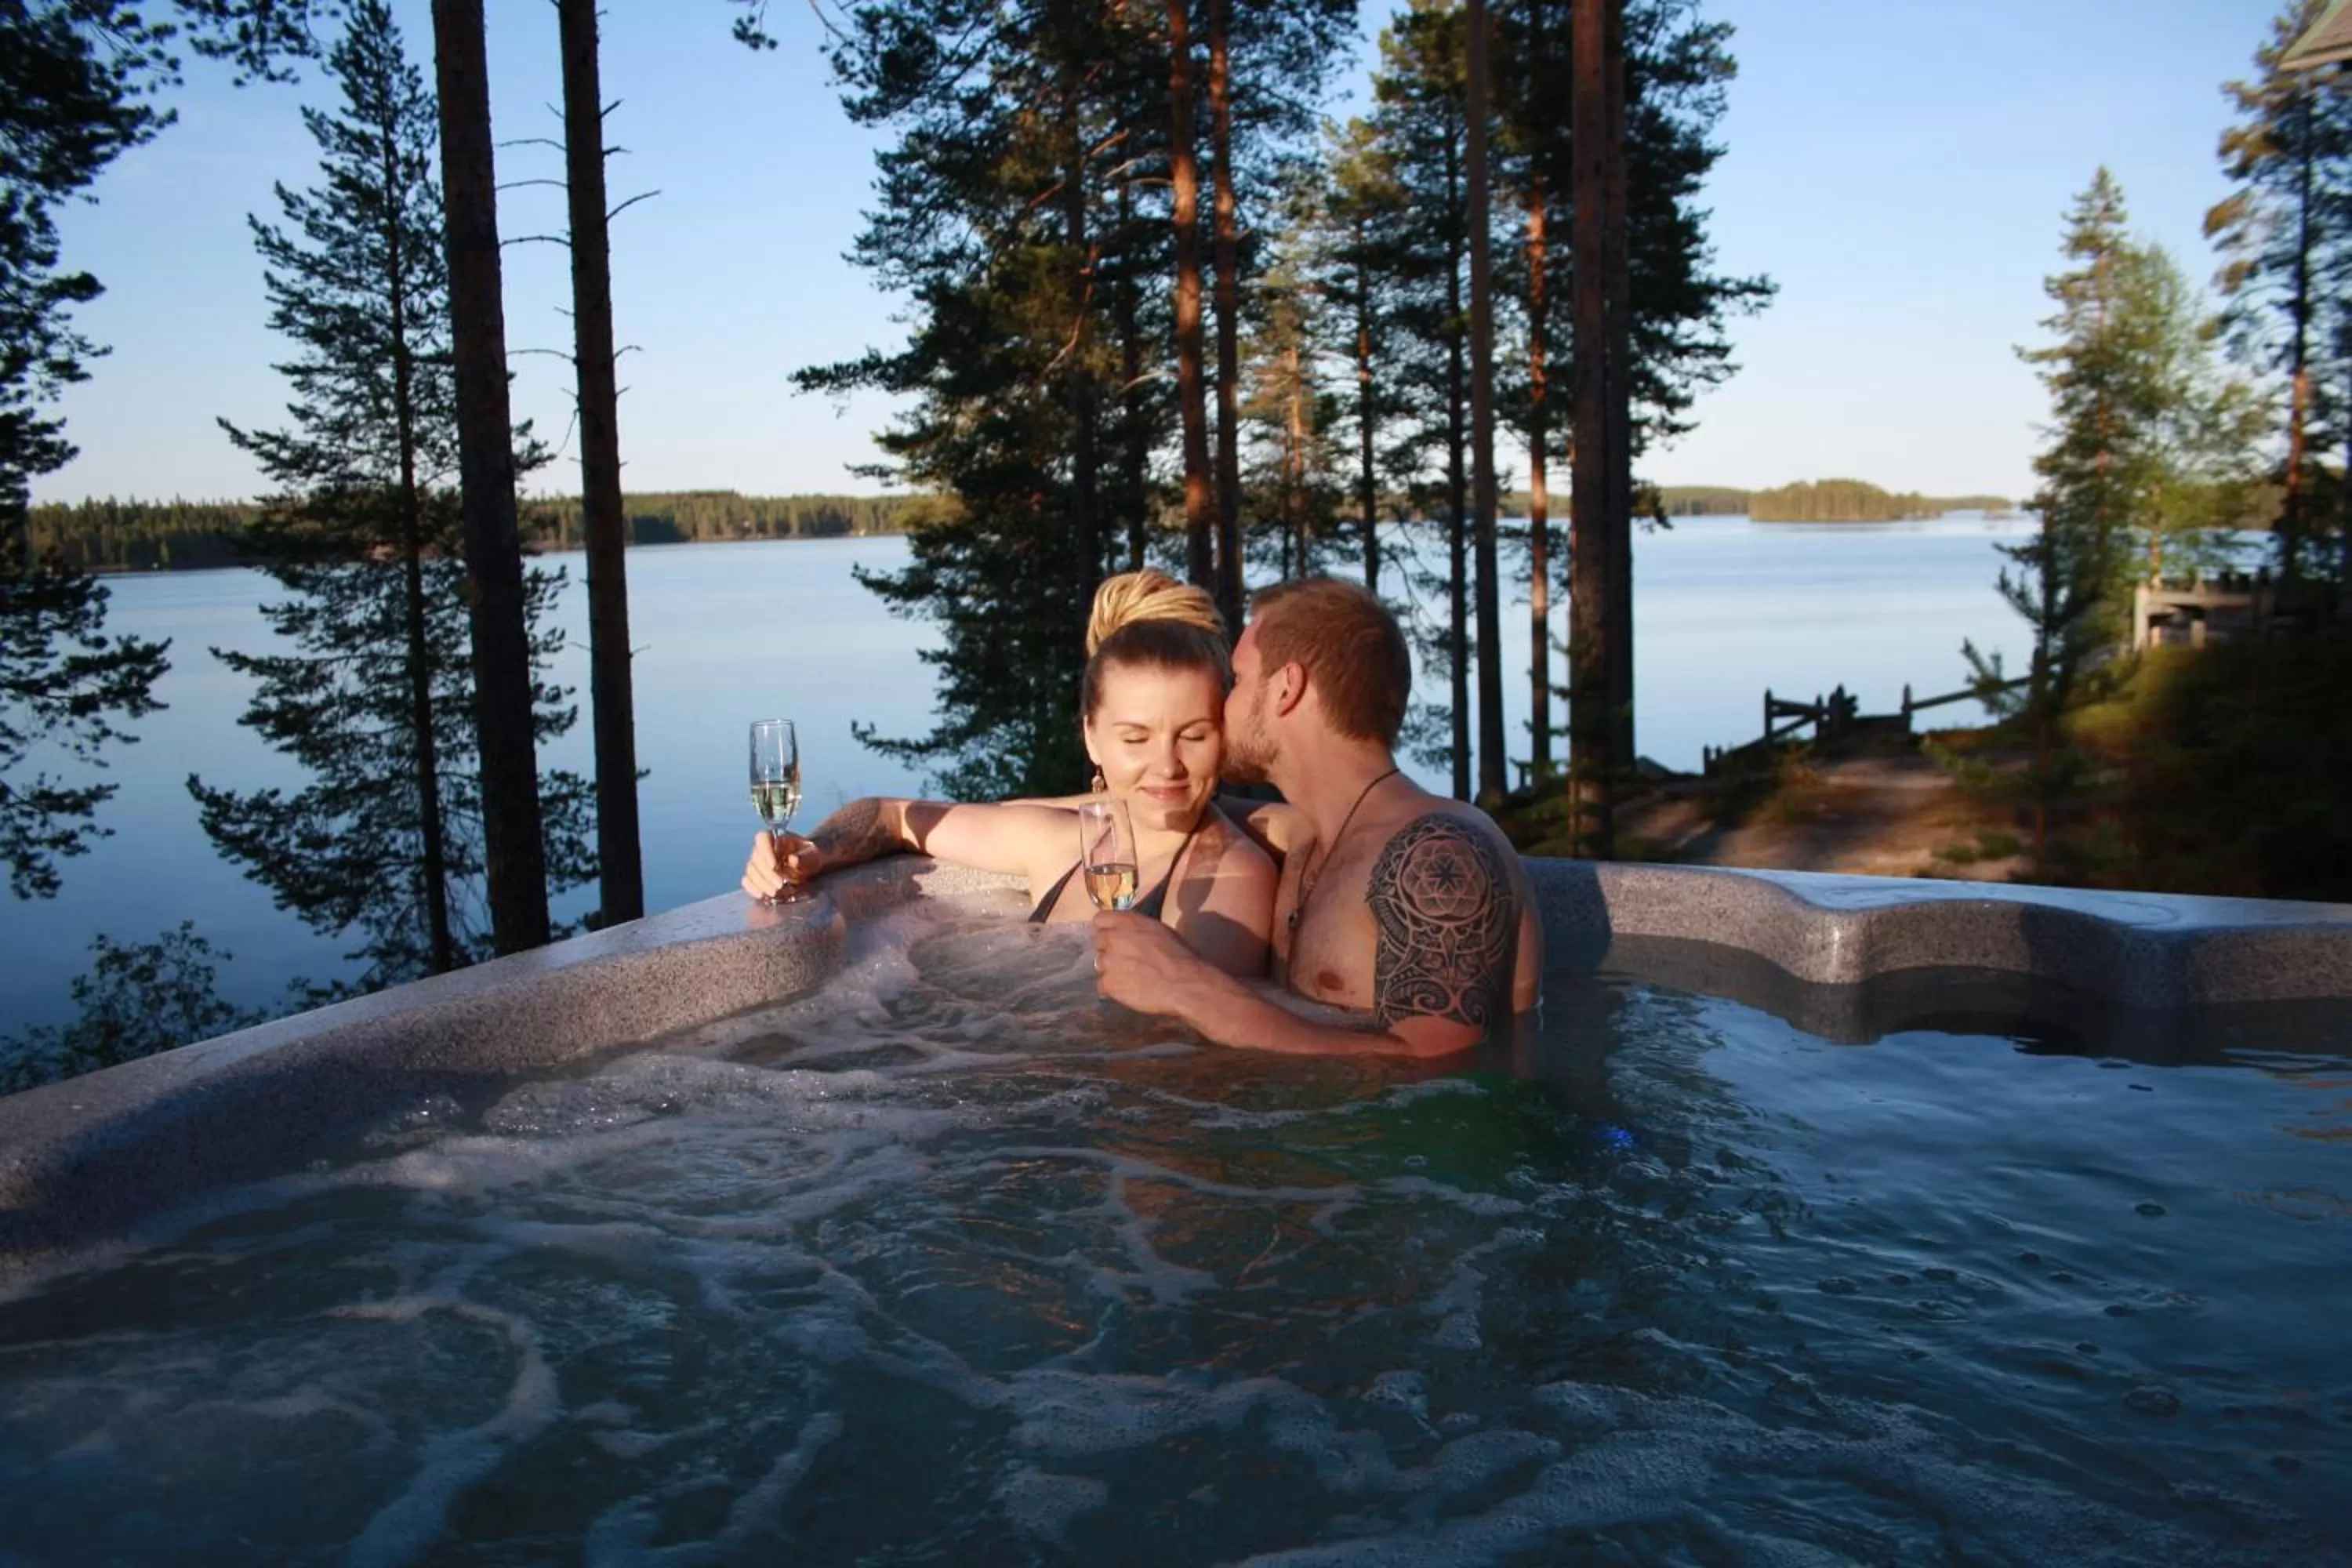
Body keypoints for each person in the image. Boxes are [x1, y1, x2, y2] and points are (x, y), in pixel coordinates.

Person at [742, 570, 1277, 977]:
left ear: (1223, 733)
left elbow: (1184, 1063)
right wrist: (811, 852)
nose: (1167, 766)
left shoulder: (1229, 880)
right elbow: (891, 817)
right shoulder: (1059, 839)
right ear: (1092, 736)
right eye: (1136, 738)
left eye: (1193, 735)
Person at [1091, 576, 1542, 1058]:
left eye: (1239, 681)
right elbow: (1165, 805)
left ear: (1287, 688)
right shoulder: (1309, 835)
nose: (1223, 705)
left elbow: (1442, 1075)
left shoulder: (1439, 852)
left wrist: (1189, 989)